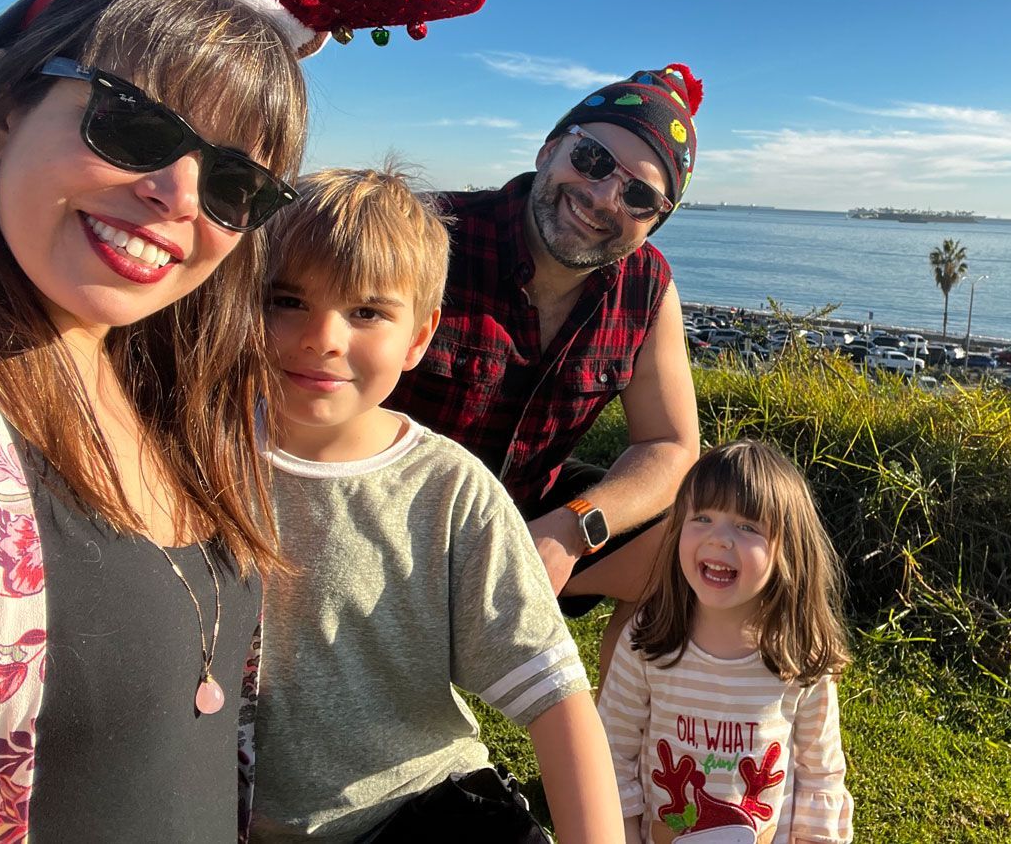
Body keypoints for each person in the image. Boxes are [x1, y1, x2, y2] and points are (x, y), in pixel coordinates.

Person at [0, 0, 307, 841]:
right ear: (5, 107)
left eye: (238, 183)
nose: (183, 196)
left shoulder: (180, 405)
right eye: (132, 123)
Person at [250, 165, 624, 844]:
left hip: (420, 811)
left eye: (366, 312)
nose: (323, 337)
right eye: (286, 299)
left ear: (420, 336)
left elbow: (558, 700)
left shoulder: (448, 491)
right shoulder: (191, 455)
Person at [389, 65, 704, 673]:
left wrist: (570, 529)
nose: (603, 196)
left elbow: (670, 445)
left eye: (639, 195)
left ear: (652, 224)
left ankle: (621, 741)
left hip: (529, 523)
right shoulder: (429, 233)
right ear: (549, 148)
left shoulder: (647, 286)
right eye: (591, 158)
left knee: (699, 533)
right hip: (389, 521)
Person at [597, 440, 855, 844]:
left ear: (789, 550)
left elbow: (820, 775)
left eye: (747, 526)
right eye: (701, 517)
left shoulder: (800, 658)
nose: (719, 539)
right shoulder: (646, 641)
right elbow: (613, 757)